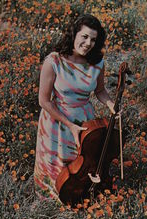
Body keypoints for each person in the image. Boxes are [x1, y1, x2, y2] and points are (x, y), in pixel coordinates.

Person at [34, 14, 115, 203]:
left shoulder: (97, 63)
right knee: (56, 162)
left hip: (84, 117)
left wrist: (111, 104)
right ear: (74, 34)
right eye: (84, 37)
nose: (88, 43)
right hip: (57, 118)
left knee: (80, 160)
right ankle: (52, 199)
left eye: (93, 40)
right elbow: (44, 101)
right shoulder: (54, 61)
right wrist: (69, 125)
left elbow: (100, 90)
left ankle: (77, 194)